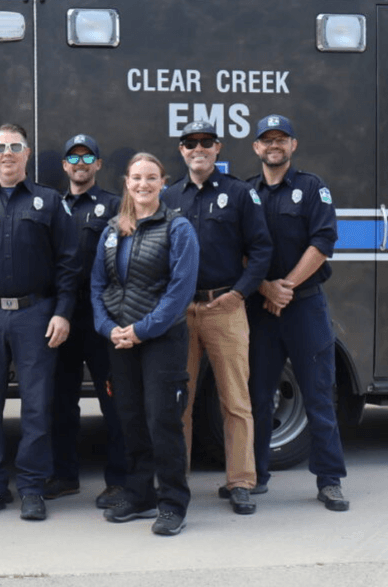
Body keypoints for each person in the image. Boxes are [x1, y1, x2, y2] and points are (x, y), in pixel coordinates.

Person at [0, 123, 80, 521]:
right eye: (0, 146)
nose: (7, 153)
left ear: (26, 153)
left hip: (36, 315)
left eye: (15, 146)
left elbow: (69, 264)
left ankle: (32, 487)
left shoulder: (50, 202)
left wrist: (62, 312)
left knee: (37, 407)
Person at [162, 119, 272, 516]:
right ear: (182, 150)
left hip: (225, 307)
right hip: (179, 312)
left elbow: (261, 250)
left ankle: (241, 481)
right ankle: (178, 483)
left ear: (218, 148)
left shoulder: (239, 194)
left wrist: (239, 292)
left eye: (206, 142)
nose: (199, 149)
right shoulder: (168, 195)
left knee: (236, 400)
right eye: (191, 143)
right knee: (179, 402)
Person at [244, 114, 349, 511]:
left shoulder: (311, 188)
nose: (274, 145)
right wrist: (265, 287)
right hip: (261, 307)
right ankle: (254, 477)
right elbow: (236, 246)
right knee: (257, 397)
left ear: (293, 145)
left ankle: (329, 481)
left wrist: (284, 286)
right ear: (256, 147)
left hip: (303, 305)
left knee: (319, 395)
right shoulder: (246, 192)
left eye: (281, 139)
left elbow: (323, 241)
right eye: (266, 139)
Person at [92, 152, 199, 536]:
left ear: (163, 183)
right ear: (126, 182)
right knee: (131, 420)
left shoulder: (178, 228)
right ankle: (140, 496)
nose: (143, 184)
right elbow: (98, 285)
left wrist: (142, 329)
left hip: (161, 341)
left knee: (162, 421)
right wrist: (107, 328)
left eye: (151, 177)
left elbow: (179, 292)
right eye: (136, 177)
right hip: (120, 342)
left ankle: (172, 503)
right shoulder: (112, 229)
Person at [49, 134, 128, 509]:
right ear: (64, 165)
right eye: (73, 157)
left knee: (113, 401)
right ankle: (64, 476)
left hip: (103, 317)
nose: (80, 163)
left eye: (87, 157)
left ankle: (119, 481)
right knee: (60, 401)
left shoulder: (115, 206)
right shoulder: (52, 206)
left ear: (97, 164)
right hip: (63, 317)